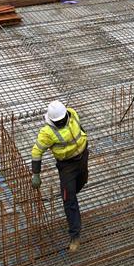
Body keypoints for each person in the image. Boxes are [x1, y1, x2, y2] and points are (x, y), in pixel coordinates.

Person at [31, 100, 89, 252]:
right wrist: (36, 174)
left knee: (82, 182)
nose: (62, 122)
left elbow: (80, 128)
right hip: (67, 166)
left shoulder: (73, 114)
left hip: (83, 157)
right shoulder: (47, 133)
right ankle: (75, 235)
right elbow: (36, 152)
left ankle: (70, 199)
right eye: (59, 122)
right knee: (69, 198)